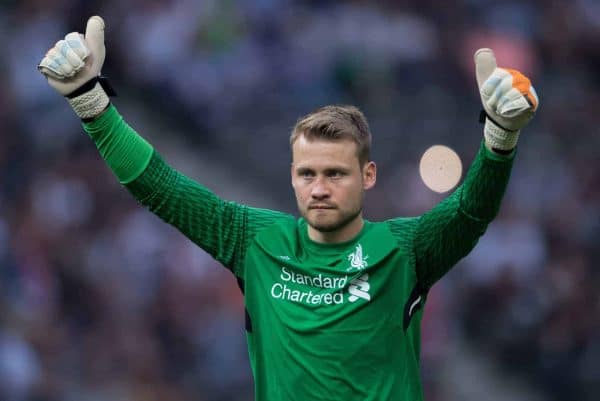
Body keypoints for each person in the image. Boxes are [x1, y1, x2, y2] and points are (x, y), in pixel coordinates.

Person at [38, 16, 539, 401]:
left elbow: (472, 212)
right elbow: (162, 188)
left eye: (335, 173)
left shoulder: (405, 249)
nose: (319, 188)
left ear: (367, 177)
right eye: (307, 174)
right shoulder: (256, 240)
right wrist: (90, 101)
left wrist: (500, 139)